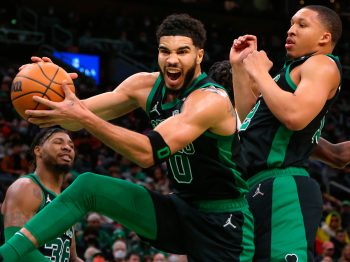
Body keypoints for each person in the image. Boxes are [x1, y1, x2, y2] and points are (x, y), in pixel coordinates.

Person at [0, 13, 254, 261]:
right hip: (180, 208)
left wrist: (82, 117)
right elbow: (72, 117)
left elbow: (146, 153)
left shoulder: (210, 100)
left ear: (199, 55)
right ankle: (6, 254)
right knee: (88, 186)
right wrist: (49, 90)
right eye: (165, 51)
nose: (172, 60)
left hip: (224, 221)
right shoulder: (144, 86)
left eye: (183, 51)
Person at [230, 5, 342, 262]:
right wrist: (240, 68)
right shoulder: (289, 74)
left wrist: (259, 72)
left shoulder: (321, 64)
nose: (291, 30)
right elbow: (249, 120)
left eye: (302, 25)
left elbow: (295, 116)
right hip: (256, 184)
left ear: (324, 37)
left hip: (284, 186)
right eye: (291, 24)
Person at [1, 127, 82, 261]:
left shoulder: (68, 202)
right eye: (58, 142)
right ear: (38, 151)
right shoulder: (26, 187)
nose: (67, 147)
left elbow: (72, 258)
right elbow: (16, 250)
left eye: (71, 145)